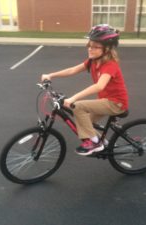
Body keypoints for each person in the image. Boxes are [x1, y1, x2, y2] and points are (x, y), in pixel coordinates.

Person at [41, 24, 129, 156]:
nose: (90, 49)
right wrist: (51, 75)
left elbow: (99, 86)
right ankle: (102, 142)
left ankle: (95, 144)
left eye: (95, 47)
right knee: (84, 121)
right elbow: (73, 70)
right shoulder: (92, 61)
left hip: (116, 103)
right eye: (89, 45)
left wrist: (73, 98)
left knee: (78, 107)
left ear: (107, 48)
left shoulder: (110, 65)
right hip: (105, 100)